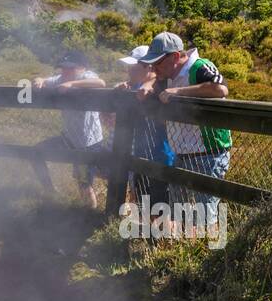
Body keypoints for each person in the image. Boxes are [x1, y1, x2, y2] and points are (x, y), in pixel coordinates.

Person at [132, 32, 232, 237]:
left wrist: (179, 92)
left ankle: (210, 258)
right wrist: (147, 85)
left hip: (209, 152)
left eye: (157, 63)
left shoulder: (198, 66)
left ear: (175, 57)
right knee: (181, 211)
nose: (153, 68)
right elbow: (153, 81)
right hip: (183, 153)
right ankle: (183, 254)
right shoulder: (168, 76)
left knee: (206, 213)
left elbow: (220, 89)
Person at [34, 50, 105, 207]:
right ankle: (51, 192)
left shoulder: (86, 76)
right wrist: (39, 80)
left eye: (70, 68)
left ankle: (91, 215)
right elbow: (45, 80)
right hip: (69, 139)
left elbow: (100, 83)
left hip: (88, 143)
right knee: (37, 152)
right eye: (63, 67)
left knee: (84, 184)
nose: (65, 71)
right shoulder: (61, 78)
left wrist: (72, 84)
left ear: (82, 68)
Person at [116, 44, 175, 235]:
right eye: (129, 68)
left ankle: (160, 244)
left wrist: (149, 86)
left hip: (161, 157)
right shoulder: (133, 87)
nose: (129, 71)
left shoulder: (161, 87)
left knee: (160, 208)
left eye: (134, 68)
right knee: (142, 202)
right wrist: (121, 88)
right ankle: (147, 239)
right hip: (140, 156)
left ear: (148, 68)